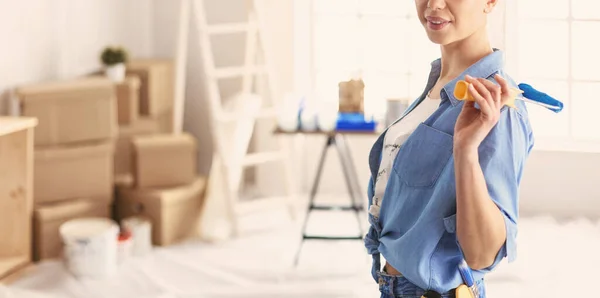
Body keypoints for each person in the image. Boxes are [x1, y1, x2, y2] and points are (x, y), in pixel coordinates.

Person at [363, 0, 534, 297]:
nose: (434, 4)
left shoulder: (497, 107)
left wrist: (466, 151)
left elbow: (482, 254)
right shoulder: (440, 86)